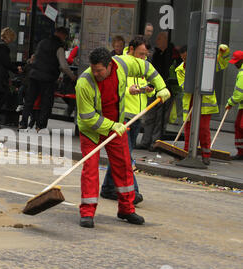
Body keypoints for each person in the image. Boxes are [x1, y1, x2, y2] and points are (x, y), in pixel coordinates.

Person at [76, 47, 169, 228]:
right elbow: (87, 118)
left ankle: (126, 209)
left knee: (124, 166)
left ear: (110, 65)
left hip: (116, 127)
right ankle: (87, 212)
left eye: (99, 70)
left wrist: (161, 86)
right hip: (92, 130)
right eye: (93, 69)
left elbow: (147, 68)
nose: (95, 73)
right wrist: (112, 125)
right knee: (91, 169)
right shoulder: (84, 82)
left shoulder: (124, 64)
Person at [100, 36, 154, 204]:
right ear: (131, 50)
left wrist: (148, 90)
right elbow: (113, 86)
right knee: (125, 157)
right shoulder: (120, 64)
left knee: (124, 154)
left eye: (146, 55)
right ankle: (133, 192)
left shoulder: (144, 66)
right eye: (140, 54)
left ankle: (108, 188)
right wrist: (129, 89)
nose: (143, 58)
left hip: (137, 117)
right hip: (122, 117)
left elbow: (150, 90)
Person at [176, 44, 230, 165]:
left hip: (205, 104)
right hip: (190, 103)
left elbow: (222, 63)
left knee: (203, 130)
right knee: (189, 129)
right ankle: (187, 153)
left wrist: (223, 52)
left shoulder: (206, 66)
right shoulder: (179, 70)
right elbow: (184, 86)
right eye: (183, 59)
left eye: (187, 58)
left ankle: (206, 154)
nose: (185, 61)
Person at [19, 27, 77, 131]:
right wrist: (72, 77)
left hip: (34, 75)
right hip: (48, 78)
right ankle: (40, 126)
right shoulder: (59, 47)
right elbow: (63, 66)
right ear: (63, 35)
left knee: (29, 101)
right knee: (46, 103)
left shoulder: (42, 42)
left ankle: (23, 123)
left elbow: (35, 57)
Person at [140, 31, 181, 150]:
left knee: (161, 118)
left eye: (159, 39)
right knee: (150, 116)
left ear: (165, 40)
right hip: (153, 88)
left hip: (166, 90)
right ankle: (146, 141)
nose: (156, 41)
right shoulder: (157, 53)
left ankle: (155, 142)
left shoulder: (173, 54)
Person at [225, 50, 243, 160]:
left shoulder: (242, 74)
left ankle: (241, 152)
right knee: (238, 126)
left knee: (240, 126)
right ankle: (241, 151)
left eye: (237, 62)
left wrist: (230, 102)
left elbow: (239, 94)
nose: (235, 64)